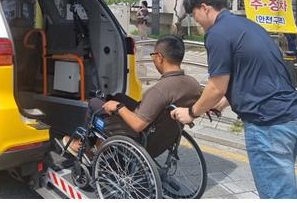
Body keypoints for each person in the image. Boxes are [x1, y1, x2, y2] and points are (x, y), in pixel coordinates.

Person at [172, 0, 297, 199]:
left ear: (205, 7)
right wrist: (224, 102)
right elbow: (251, 73)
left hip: (268, 124)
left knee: (277, 195)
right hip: (293, 117)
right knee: (284, 189)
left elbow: (216, 87)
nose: (194, 19)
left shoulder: (217, 34)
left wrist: (191, 112)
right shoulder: (246, 25)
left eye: (193, 13)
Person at [62, 35, 201, 154]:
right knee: (118, 96)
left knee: (94, 103)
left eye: (153, 55)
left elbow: (137, 125)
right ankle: (98, 142)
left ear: (159, 57)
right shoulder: (193, 84)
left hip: (142, 138)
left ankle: (83, 145)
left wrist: (118, 107)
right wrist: (118, 102)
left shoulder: (160, 90)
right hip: (162, 139)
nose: (153, 59)